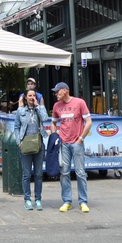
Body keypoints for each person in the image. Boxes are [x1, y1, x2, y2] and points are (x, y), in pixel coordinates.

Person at [51, 82, 91, 213]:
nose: (56, 94)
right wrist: (54, 135)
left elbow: (89, 122)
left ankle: (83, 201)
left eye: (58, 91)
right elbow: (53, 122)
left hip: (76, 143)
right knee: (64, 172)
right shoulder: (57, 106)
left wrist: (81, 139)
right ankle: (67, 201)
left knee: (80, 172)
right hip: (63, 143)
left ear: (65, 90)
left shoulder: (79, 103)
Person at [13, 87, 50, 210]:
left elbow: (45, 118)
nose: (32, 97)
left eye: (33, 95)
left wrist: (38, 106)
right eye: (29, 95)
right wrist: (19, 141)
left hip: (38, 143)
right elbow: (17, 127)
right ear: (25, 97)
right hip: (26, 143)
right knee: (27, 174)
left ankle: (38, 199)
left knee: (39, 174)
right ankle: (27, 199)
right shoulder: (20, 111)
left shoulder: (39, 108)